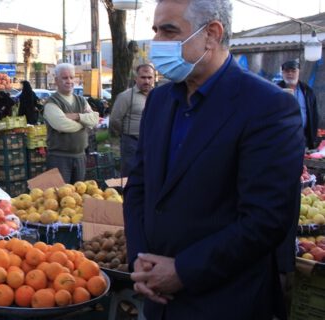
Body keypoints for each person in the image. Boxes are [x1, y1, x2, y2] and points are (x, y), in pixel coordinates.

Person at [124, 1, 304, 319]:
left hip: (225, 301)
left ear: (211, 34)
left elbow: (266, 219)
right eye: (155, 31)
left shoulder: (268, 107)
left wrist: (184, 271)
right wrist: (139, 259)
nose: (157, 44)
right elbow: (138, 185)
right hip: (156, 300)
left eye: (169, 31)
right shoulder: (160, 101)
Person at [43, 63, 99, 184]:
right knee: (58, 196)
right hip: (59, 158)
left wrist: (76, 116)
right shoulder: (52, 103)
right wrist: (84, 122)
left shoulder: (81, 100)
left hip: (80, 157)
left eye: (71, 77)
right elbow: (62, 125)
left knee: (77, 197)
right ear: (56, 80)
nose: (69, 81)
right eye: (64, 78)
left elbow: (94, 119)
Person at [110, 64, 155, 177]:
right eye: (143, 77)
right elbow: (115, 120)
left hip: (152, 142)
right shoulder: (125, 96)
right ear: (136, 78)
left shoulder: (157, 95)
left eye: (149, 77)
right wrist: (126, 134)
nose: (147, 81)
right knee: (131, 174)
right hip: (132, 142)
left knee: (150, 174)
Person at [277, 60, 320, 149]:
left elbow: (314, 116)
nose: (290, 74)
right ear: (282, 73)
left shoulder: (307, 91)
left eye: (293, 71)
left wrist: (313, 138)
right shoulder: (275, 90)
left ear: (299, 72)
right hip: (281, 138)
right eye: (287, 71)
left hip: (303, 137)